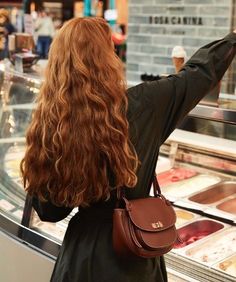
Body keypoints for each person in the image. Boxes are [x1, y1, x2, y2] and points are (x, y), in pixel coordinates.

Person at [20, 17, 236, 282]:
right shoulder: (145, 104)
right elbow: (198, 74)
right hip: (136, 249)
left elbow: (49, 212)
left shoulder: (54, 122)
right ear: (109, 58)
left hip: (83, 259)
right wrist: (232, 37)